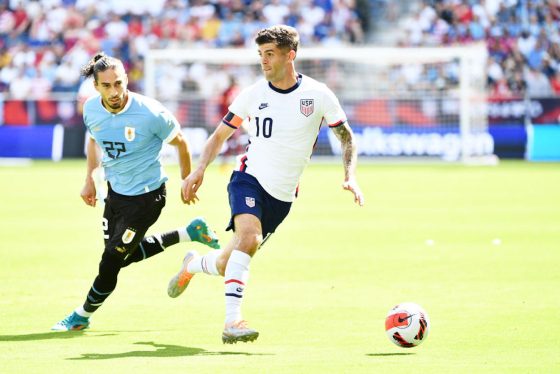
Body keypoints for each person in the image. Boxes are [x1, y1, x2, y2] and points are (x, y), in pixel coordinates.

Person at [167, 25, 364, 344]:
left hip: (282, 196)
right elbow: (219, 135)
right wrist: (198, 170)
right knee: (250, 238)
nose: (264, 61)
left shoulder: (318, 95)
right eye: (260, 54)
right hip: (248, 179)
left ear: (291, 55)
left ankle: (193, 263)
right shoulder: (253, 94)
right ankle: (233, 322)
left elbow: (346, 138)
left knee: (225, 261)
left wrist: (350, 176)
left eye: (270, 54)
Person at [51, 52, 220, 331]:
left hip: (147, 198)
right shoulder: (91, 109)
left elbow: (181, 143)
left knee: (110, 262)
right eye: (107, 86)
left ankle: (81, 315)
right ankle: (188, 233)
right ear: (96, 87)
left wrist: (186, 180)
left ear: (126, 80)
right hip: (115, 194)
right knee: (122, 257)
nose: (114, 91)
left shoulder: (150, 112)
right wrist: (90, 179)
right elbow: (94, 141)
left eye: (118, 83)